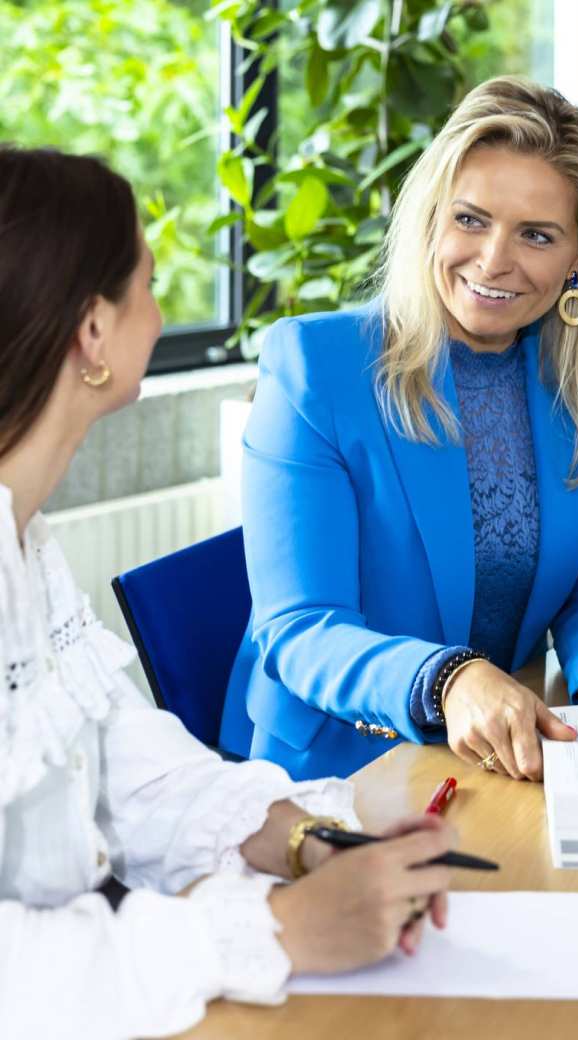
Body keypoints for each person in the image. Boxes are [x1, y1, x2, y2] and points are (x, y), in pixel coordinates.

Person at [0, 146, 454, 1040]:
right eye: (149, 282)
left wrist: (308, 841)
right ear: (93, 332)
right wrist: (276, 928)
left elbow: (139, 778)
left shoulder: (28, 544)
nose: (163, 309)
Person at [221, 75, 578, 784]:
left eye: (536, 235)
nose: (494, 261)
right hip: (341, 765)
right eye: (470, 219)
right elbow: (300, 630)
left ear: (577, 258)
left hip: (500, 755)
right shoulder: (318, 367)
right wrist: (449, 680)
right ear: (432, 217)